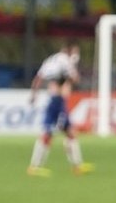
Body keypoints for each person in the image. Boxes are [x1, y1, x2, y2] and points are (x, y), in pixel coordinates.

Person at [27, 41, 93, 176]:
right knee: (49, 133)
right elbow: (75, 79)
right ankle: (34, 167)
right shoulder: (65, 61)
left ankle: (77, 166)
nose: (76, 55)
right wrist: (73, 67)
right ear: (69, 51)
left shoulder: (50, 60)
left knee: (70, 132)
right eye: (75, 52)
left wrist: (34, 95)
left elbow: (38, 78)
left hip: (53, 99)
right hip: (57, 102)